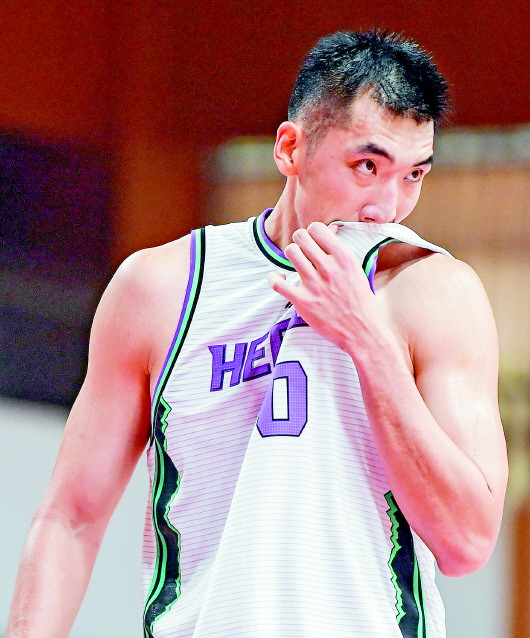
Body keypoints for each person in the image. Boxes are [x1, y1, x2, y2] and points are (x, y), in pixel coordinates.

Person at [8, 30, 508, 638]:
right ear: (291, 149)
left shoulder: (433, 290)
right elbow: (70, 518)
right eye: (368, 166)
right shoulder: (162, 287)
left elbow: (467, 542)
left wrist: (367, 342)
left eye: (413, 175)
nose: (387, 206)